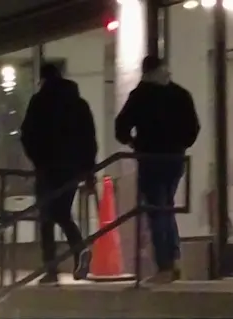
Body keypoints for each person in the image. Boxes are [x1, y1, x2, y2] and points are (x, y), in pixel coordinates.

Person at [115, 56, 200, 284]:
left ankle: (165, 265)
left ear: (146, 73)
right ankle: (173, 259)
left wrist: (134, 143)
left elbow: (121, 127)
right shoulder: (180, 95)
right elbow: (193, 128)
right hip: (174, 159)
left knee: (157, 210)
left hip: (151, 158)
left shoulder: (141, 96)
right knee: (167, 207)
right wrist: (180, 145)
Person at [20, 63, 97, 285]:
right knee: (62, 212)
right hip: (72, 169)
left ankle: (51, 270)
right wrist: (88, 170)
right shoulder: (79, 104)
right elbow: (89, 140)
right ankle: (79, 250)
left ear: (43, 79)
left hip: (47, 167)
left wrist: (37, 158)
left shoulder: (39, 102)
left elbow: (27, 135)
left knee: (46, 218)